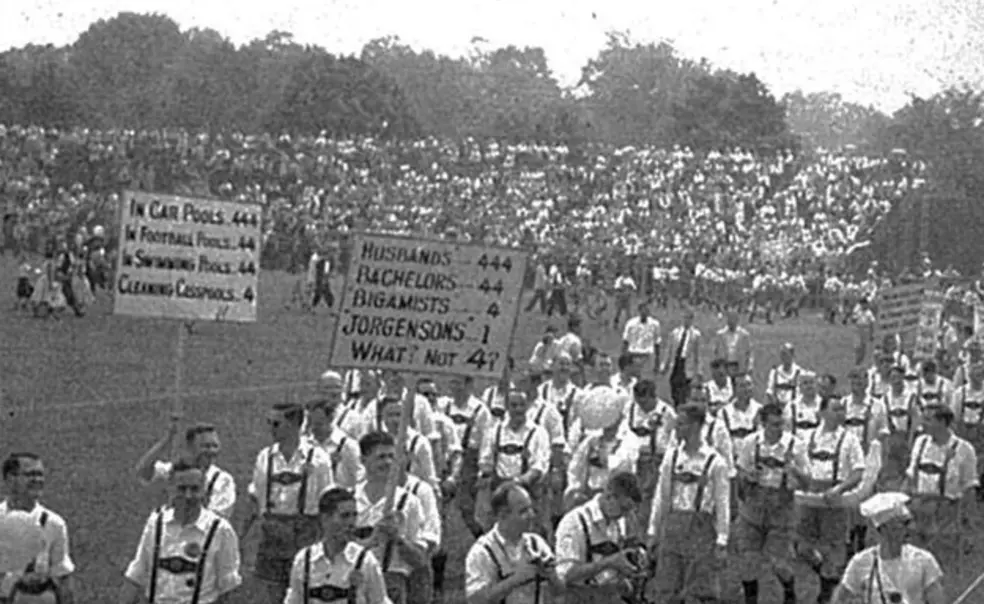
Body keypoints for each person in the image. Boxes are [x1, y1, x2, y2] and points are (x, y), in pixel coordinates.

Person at [242, 403, 334, 603]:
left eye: (276, 423)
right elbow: (255, 499)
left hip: (304, 532)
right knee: (267, 593)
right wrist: (243, 536)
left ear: (294, 424)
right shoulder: (264, 457)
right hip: (271, 533)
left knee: (304, 592)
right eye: (269, 423)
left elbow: (327, 504)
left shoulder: (318, 459)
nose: (271, 429)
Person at [119, 460, 241, 604]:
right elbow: (137, 573)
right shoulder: (156, 523)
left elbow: (228, 587)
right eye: (182, 489)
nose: (188, 496)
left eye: (194, 489)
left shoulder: (220, 530)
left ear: (203, 491)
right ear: (170, 488)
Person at [647, 403, 730, 604]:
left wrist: (722, 540)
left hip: (701, 529)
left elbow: (722, 502)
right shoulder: (672, 456)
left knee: (699, 591)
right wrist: (653, 531)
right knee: (666, 588)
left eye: (682, 424)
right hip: (673, 526)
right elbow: (661, 496)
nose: (677, 428)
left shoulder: (715, 461)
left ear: (696, 426)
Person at [734, 403, 808, 604]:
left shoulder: (795, 445)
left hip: (781, 510)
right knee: (748, 560)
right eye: (774, 424)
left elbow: (807, 481)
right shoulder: (751, 443)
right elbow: (740, 472)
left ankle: (790, 593)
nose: (779, 429)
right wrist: (749, 476)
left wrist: (794, 471)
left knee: (779, 563)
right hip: (753, 508)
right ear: (763, 423)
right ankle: (751, 600)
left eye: (781, 424)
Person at [795, 396, 866, 604]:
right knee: (803, 548)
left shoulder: (850, 440)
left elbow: (858, 472)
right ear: (822, 412)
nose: (840, 413)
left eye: (842, 410)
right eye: (835, 409)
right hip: (810, 497)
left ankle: (826, 594)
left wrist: (840, 489)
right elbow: (798, 467)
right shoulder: (807, 438)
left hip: (835, 498)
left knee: (834, 547)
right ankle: (827, 576)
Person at [352, 432, 429, 604]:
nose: (387, 462)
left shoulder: (408, 503)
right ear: (363, 460)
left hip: (390, 583)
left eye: (391, 456)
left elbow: (420, 560)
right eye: (380, 457)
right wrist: (369, 542)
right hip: (352, 581)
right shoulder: (350, 499)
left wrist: (398, 539)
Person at [832, 492, 946, 604]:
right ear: (885, 528)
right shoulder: (861, 562)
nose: (910, 528)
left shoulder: (923, 560)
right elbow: (840, 598)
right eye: (903, 523)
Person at [283, 487, 390, 604]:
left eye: (354, 515)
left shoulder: (365, 561)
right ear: (325, 519)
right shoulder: (304, 560)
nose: (351, 523)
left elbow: (380, 601)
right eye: (345, 516)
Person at [902, 404, 978, 565]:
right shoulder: (920, 442)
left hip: (946, 513)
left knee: (941, 562)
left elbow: (969, 487)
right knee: (915, 562)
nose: (923, 424)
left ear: (943, 422)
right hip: (918, 509)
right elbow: (910, 476)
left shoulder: (964, 449)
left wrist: (967, 523)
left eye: (929, 420)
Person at [556, 472, 647, 603]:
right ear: (610, 497)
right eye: (624, 509)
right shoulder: (575, 522)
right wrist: (609, 562)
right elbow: (567, 575)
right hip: (579, 597)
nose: (625, 515)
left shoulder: (618, 522)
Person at [0, 453, 76, 604]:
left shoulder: (53, 524)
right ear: (10, 479)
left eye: (40, 475)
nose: (37, 480)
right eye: (30, 475)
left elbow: (63, 576)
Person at [465, 482, 558, 604]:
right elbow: (475, 599)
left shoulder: (537, 543)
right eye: (523, 511)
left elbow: (560, 592)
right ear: (502, 515)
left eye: (531, 509)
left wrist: (552, 575)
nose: (531, 515)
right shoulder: (482, 552)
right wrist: (515, 579)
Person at [477, 390, 550, 532]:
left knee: (530, 533)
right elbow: (485, 461)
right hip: (499, 490)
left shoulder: (538, 433)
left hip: (527, 491)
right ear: (507, 407)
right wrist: (486, 480)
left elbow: (539, 467)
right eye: (514, 405)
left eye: (522, 405)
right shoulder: (494, 431)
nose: (518, 409)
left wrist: (517, 482)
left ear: (527, 406)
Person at [135, 421, 237, 519]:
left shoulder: (223, 480)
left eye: (215, 446)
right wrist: (166, 441)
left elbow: (216, 519)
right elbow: (143, 471)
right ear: (190, 447)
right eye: (205, 446)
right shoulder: (175, 471)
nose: (211, 451)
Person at [660, 307, 701, 408]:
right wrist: (664, 365)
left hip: (686, 364)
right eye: (685, 318)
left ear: (692, 320)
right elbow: (669, 350)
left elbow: (697, 354)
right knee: (674, 386)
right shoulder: (675, 333)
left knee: (684, 389)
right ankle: (676, 403)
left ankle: (682, 406)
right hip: (676, 363)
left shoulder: (695, 335)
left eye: (689, 318)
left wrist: (699, 372)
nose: (687, 320)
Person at [621, 300, 661, 373]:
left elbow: (657, 343)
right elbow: (625, 341)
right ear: (639, 311)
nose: (644, 312)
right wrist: (623, 359)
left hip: (647, 355)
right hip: (633, 354)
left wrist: (657, 362)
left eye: (646, 310)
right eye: (642, 310)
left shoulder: (655, 324)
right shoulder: (631, 323)